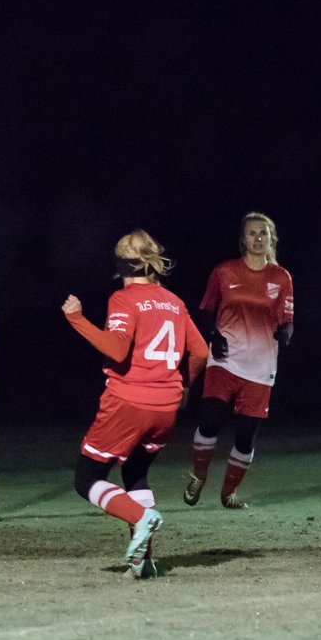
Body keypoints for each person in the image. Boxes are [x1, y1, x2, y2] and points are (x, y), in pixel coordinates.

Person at [63, 229, 208, 580]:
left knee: (87, 479)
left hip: (129, 402)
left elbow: (116, 349)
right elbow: (201, 351)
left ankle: (140, 517)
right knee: (135, 472)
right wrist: (184, 386)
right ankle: (143, 564)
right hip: (166, 407)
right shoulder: (174, 302)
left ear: (120, 265)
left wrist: (77, 318)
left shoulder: (124, 299)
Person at [183, 212, 294, 510]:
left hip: (260, 367)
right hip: (225, 360)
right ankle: (198, 475)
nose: (258, 238)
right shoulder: (224, 272)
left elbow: (287, 318)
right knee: (210, 420)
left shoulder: (281, 277)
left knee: (245, 437)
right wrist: (214, 335)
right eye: (252, 233)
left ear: (271, 239)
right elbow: (206, 310)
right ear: (242, 239)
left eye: (263, 233)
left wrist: (286, 332)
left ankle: (228, 493)